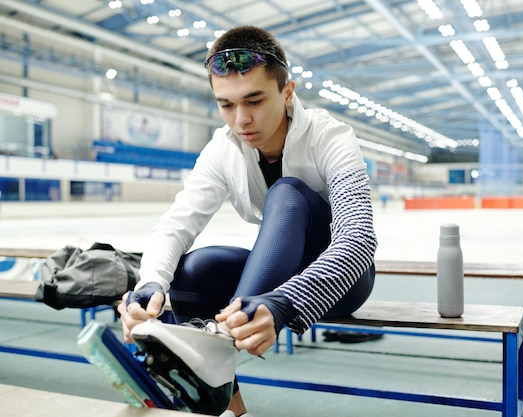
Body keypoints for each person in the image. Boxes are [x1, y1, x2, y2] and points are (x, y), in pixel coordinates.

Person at [117, 25, 377, 417]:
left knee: (287, 192)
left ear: (287, 92)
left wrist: (284, 303)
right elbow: (176, 224)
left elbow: (358, 240)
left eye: (254, 100)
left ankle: (217, 345)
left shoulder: (331, 136)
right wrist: (150, 281)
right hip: (276, 278)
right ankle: (229, 410)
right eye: (226, 104)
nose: (240, 120)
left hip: (344, 283)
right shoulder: (222, 148)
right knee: (193, 269)